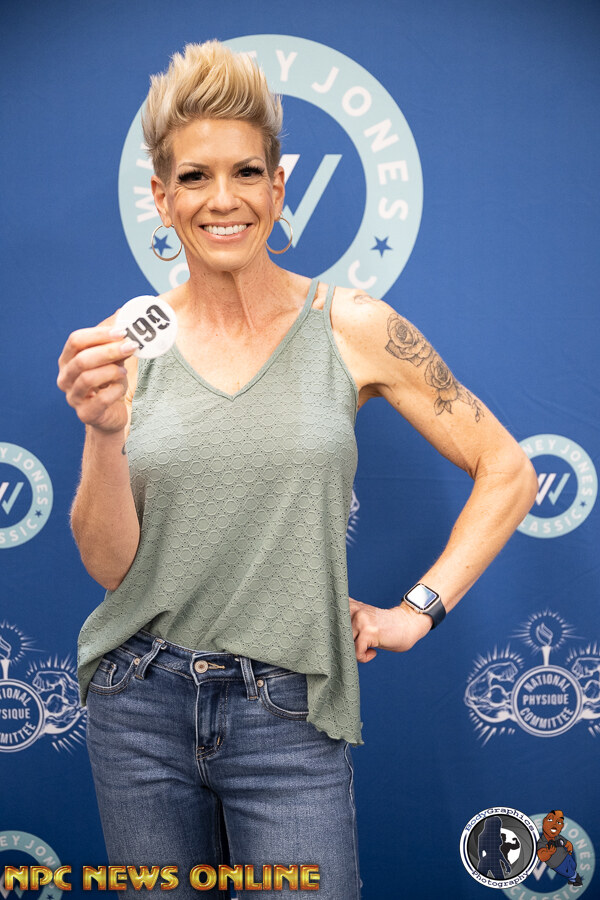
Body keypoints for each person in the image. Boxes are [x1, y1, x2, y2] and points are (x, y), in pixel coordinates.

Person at [56, 40, 538, 899]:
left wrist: (416, 612)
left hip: (288, 711)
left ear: (278, 189)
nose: (223, 199)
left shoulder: (352, 325)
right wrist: (101, 432)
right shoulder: (127, 346)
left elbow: (507, 469)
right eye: (195, 177)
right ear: (162, 198)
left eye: (246, 172)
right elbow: (110, 567)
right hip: (138, 707)